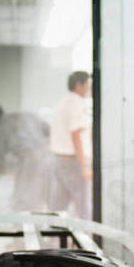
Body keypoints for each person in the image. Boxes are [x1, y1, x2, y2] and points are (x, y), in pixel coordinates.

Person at [0, 100, 53, 212]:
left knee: (22, 198)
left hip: (29, 161)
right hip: (49, 158)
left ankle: (22, 225)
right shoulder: (27, 115)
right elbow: (49, 131)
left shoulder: (0, 132)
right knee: (45, 197)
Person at [50, 71, 93, 218]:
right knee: (83, 208)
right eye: (88, 84)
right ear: (79, 85)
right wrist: (85, 167)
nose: (90, 88)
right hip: (74, 163)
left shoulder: (62, 103)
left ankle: (53, 240)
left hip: (60, 161)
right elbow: (76, 136)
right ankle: (86, 238)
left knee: (58, 207)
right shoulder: (77, 104)